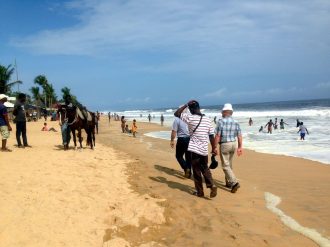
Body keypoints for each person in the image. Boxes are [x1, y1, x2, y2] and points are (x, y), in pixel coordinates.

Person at [174, 100, 217, 198]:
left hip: (194, 149)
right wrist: (214, 148)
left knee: (197, 171)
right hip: (204, 149)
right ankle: (212, 185)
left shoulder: (190, 118)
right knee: (205, 168)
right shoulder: (207, 119)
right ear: (199, 108)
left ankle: (200, 192)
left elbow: (176, 113)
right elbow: (211, 136)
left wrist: (186, 104)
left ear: (191, 109)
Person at [215, 103, 242, 193]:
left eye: (222, 111)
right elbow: (239, 135)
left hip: (225, 144)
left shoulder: (220, 122)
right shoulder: (236, 122)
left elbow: (218, 136)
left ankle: (234, 183)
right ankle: (228, 182)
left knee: (225, 165)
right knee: (229, 164)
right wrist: (240, 147)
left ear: (225, 112)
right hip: (233, 144)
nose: (222, 113)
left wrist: (214, 147)